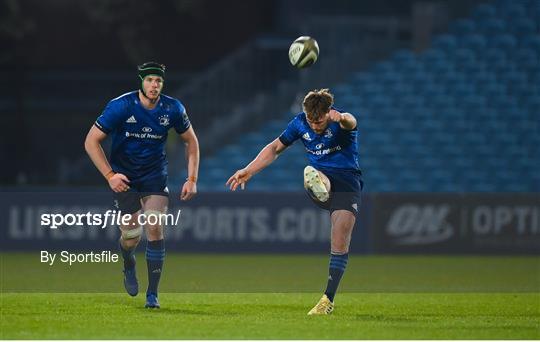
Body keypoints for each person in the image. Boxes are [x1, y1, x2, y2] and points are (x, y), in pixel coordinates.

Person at [226, 88, 362, 315]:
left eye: (319, 121)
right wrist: (249, 170)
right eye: (311, 121)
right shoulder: (300, 123)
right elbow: (274, 148)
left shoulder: (340, 121)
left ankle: (327, 300)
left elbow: (352, 122)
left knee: (340, 241)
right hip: (323, 178)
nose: (315, 126)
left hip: (348, 183)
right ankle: (317, 183)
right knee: (314, 173)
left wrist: (344, 117)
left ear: (329, 113)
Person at [84, 62, 199, 308]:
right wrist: (109, 175)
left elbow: (192, 142)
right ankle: (127, 261)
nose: (154, 85)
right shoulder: (121, 106)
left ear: (162, 83)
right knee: (131, 236)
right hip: (124, 178)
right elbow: (91, 141)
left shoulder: (173, 108)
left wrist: (192, 179)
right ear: (141, 82)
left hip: (154, 176)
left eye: (158, 80)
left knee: (155, 226)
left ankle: (153, 295)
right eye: (149, 80)